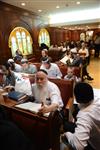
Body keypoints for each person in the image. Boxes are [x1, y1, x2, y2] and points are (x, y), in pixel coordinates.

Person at [61, 82, 100, 150]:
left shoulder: (85, 116)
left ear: (77, 99)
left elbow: (79, 146)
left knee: (66, 127)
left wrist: (67, 134)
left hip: (96, 144)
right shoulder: (97, 94)